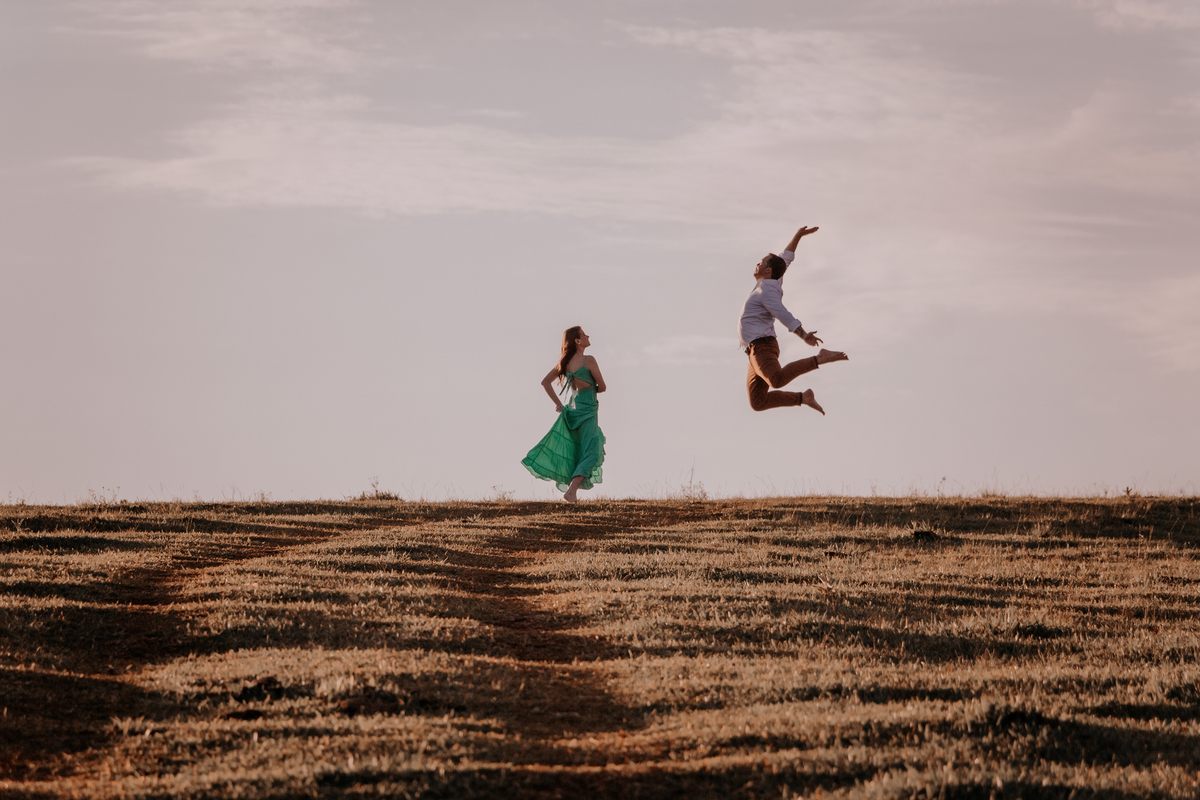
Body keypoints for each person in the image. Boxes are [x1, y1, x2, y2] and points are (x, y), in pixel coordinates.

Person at [739, 225, 848, 414]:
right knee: (758, 401)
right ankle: (803, 398)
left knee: (777, 380)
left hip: (761, 347)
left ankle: (819, 359)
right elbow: (786, 258)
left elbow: (783, 314)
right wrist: (798, 236)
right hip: (754, 351)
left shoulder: (766, 291)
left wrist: (803, 335)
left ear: (768, 271)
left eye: (761, 262)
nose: (757, 264)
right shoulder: (771, 282)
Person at [522, 326, 607, 503]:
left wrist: (558, 404)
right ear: (577, 341)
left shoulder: (564, 363)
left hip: (572, 410)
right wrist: (591, 390)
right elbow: (603, 387)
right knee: (591, 451)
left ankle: (572, 491)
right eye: (584, 335)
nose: (588, 336)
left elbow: (545, 382)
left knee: (577, 449)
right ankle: (571, 491)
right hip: (588, 410)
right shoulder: (588, 360)